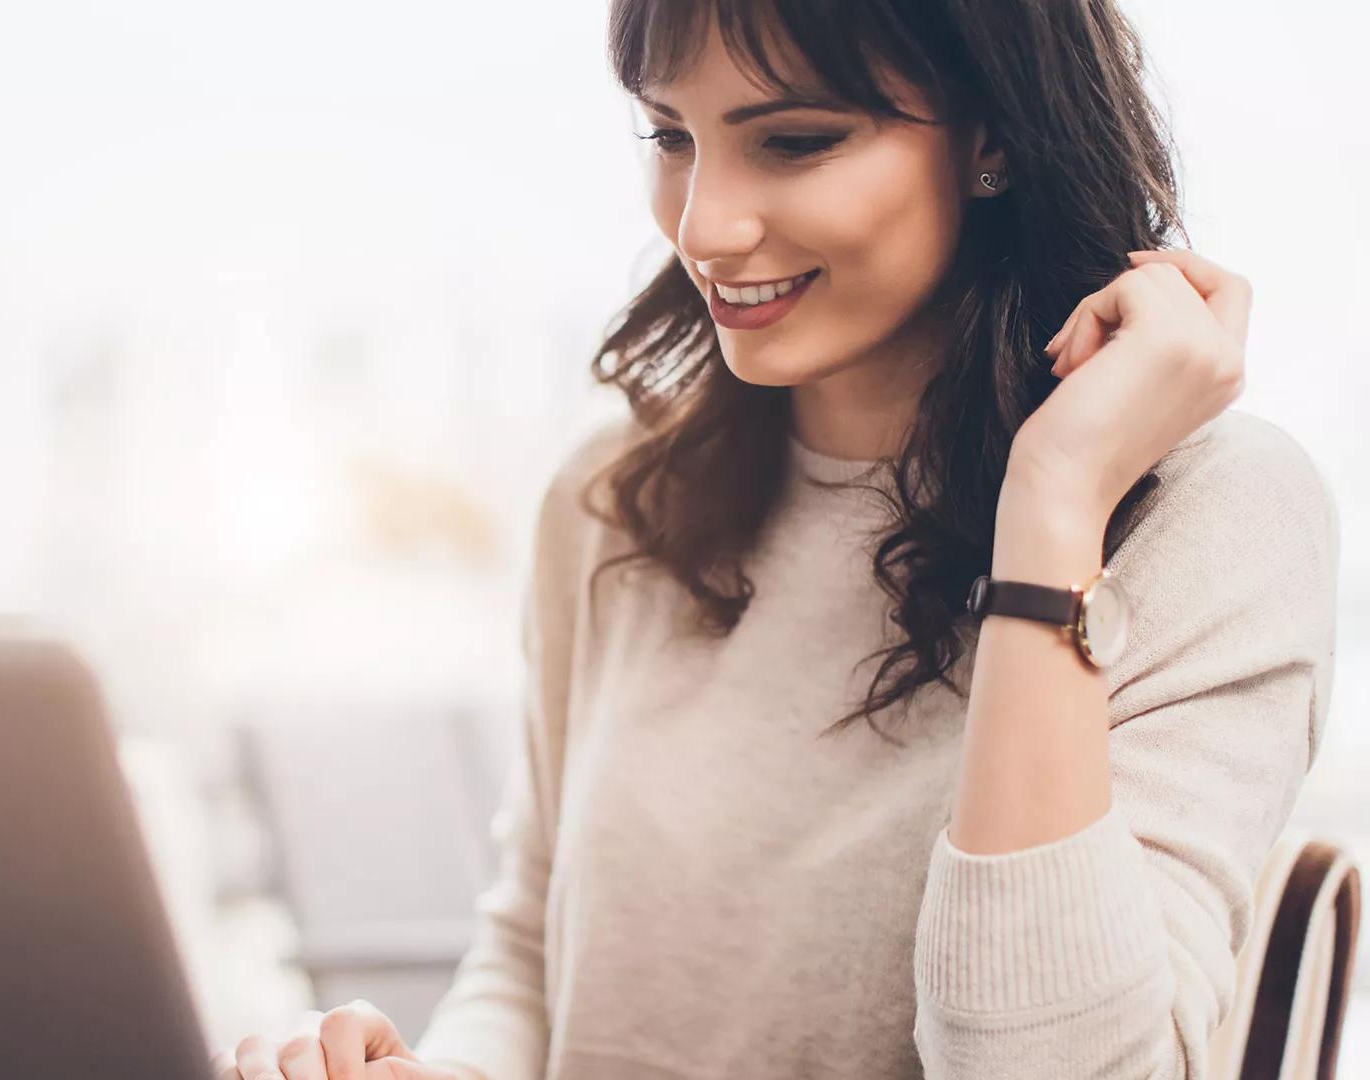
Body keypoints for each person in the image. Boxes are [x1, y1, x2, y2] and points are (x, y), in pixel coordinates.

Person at [217, 0, 1340, 1076]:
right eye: (670, 135)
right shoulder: (615, 501)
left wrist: (1051, 515)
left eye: (796, 140)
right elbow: (533, 951)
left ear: (996, 131)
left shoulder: (1208, 516)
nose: (704, 225)